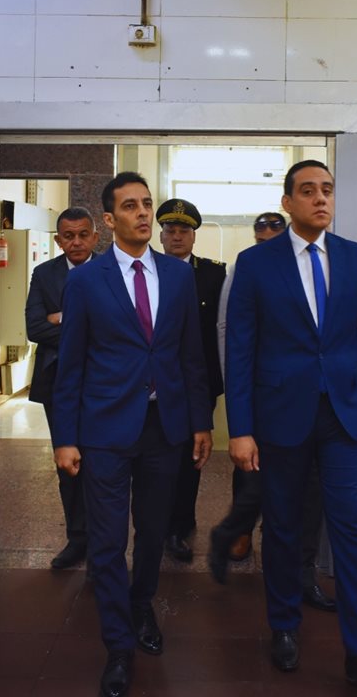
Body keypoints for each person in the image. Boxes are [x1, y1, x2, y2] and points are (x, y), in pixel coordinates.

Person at [224, 161, 357, 692]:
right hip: (280, 416)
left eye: (327, 190)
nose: (321, 199)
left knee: (354, 531)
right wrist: (240, 428)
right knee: (282, 527)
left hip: (347, 415)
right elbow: (240, 348)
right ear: (288, 202)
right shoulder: (256, 263)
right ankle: (283, 626)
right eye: (308, 191)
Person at [52, 172, 212, 697]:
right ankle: (118, 644)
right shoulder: (86, 281)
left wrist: (200, 422)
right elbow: (71, 364)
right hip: (104, 428)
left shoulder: (179, 276)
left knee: (153, 530)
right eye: (130, 206)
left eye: (146, 203)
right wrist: (65, 437)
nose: (143, 213)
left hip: (165, 427)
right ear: (109, 218)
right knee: (106, 538)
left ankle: (142, 604)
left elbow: (191, 356)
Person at [209, 212, 337, 614]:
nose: (267, 246)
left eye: (274, 238)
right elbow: (228, 331)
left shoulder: (315, 267)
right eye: (260, 239)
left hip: (313, 402)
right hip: (265, 399)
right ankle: (234, 533)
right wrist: (238, 396)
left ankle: (304, 576)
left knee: (312, 494)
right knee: (259, 482)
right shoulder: (246, 269)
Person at [25, 206, 99, 570]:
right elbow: (34, 328)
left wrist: (63, 320)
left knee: (102, 462)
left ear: (95, 237)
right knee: (68, 463)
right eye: (68, 236)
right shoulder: (44, 274)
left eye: (83, 235)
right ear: (58, 240)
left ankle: (103, 539)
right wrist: (83, 324)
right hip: (57, 381)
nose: (76, 242)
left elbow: (116, 326)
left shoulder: (111, 269)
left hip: (102, 382)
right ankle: (77, 538)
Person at [155, 198, 226, 563]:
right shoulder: (146, 271)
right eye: (170, 230)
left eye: (184, 230)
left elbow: (222, 330)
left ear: (194, 236)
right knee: (155, 456)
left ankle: (180, 525)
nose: (177, 236)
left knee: (190, 457)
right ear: (161, 235)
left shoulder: (213, 276)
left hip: (197, 382)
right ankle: (155, 522)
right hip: (154, 384)